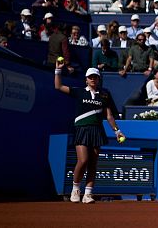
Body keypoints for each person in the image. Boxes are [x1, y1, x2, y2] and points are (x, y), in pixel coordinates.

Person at [53, 64, 124, 204]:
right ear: (86, 79)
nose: (93, 79)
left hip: (97, 130)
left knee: (93, 163)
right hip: (82, 129)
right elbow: (58, 86)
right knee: (83, 160)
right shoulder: (79, 92)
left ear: (98, 79)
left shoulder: (104, 94)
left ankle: (88, 194)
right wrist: (58, 70)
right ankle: (75, 190)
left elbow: (109, 116)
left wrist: (117, 131)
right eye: (90, 77)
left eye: (95, 77)